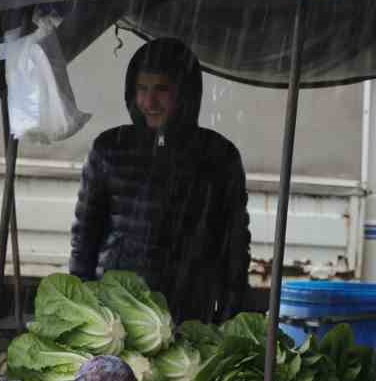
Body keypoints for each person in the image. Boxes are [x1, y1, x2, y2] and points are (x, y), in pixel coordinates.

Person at [69, 38, 251, 324]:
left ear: (186, 94)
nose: (150, 102)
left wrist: (232, 307)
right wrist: (79, 304)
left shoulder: (218, 156)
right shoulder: (109, 149)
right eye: (142, 89)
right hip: (117, 312)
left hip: (189, 311)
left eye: (162, 90)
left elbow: (235, 243)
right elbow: (85, 236)